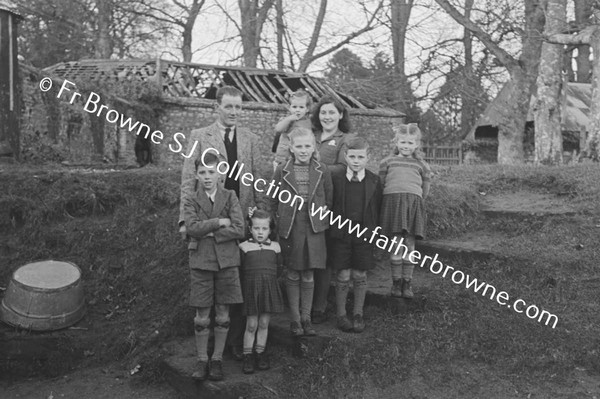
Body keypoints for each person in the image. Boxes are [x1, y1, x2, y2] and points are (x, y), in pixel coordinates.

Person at [179, 85, 265, 361]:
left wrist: (259, 216)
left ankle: (235, 342)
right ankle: (209, 347)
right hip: (208, 220)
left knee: (237, 281)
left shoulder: (251, 139)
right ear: (216, 107)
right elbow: (186, 181)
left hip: (240, 219)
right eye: (228, 106)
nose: (234, 112)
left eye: (239, 107)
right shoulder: (199, 136)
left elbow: (257, 181)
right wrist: (184, 221)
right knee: (208, 281)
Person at [182, 151, 245, 381]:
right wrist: (218, 222)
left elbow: (240, 229)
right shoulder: (190, 198)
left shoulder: (230, 196)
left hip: (227, 261)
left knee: (223, 313)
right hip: (201, 261)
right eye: (202, 172)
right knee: (202, 314)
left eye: (212, 172)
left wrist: (210, 234)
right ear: (196, 175)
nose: (207, 177)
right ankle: (202, 360)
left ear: (221, 173)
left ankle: (217, 359)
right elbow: (192, 228)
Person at [271, 127, 333, 337]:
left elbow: (329, 198)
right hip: (291, 226)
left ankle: (307, 318)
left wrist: (321, 216)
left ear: (314, 147)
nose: (303, 150)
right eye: (299, 146)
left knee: (308, 273)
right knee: (293, 272)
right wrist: (279, 222)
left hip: (314, 226)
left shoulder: (322, 169)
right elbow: (274, 199)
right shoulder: (282, 170)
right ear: (291, 147)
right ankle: (295, 319)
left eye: (307, 146)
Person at [310, 95, 357, 325]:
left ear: (340, 115)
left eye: (331, 112)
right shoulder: (311, 136)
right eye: (323, 113)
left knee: (324, 254)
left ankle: (319, 305)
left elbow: (341, 168)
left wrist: (315, 166)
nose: (327, 117)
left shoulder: (345, 139)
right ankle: (304, 304)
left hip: (332, 200)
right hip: (305, 199)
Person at [329, 137, 382, 332]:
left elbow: (378, 209)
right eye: (352, 156)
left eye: (361, 157)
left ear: (368, 157)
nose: (356, 161)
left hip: (364, 235)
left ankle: (358, 313)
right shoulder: (336, 179)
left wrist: (375, 234)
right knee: (342, 274)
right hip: (341, 235)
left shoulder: (375, 180)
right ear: (345, 157)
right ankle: (341, 315)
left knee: (359, 273)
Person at [379, 123, 431, 298]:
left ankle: (407, 283)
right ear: (396, 142)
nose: (406, 146)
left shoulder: (421, 165)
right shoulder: (387, 162)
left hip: (413, 205)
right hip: (393, 204)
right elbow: (381, 183)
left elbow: (425, 188)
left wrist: (417, 201)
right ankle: (396, 283)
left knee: (409, 245)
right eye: (402, 142)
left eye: (410, 143)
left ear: (416, 145)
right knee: (395, 244)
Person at [239, 210, 285, 374]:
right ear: (250, 228)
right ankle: (247, 355)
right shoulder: (243, 247)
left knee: (264, 323)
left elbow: (279, 269)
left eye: (264, 229)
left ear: (270, 230)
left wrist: (269, 282)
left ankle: (260, 352)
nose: (260, 232)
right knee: (251, 324)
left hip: (268, 288)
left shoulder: (276, 247)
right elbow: (241, 270)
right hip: (251, 288)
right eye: (256, 228)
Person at [271, 89, 313, 170]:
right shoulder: (286, 120)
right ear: (289, 107)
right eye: (294, 107)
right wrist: (288, 119)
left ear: (307, 109)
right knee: (279, 180)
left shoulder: (309, 123)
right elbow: (278, 129)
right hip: (282, 160)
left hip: (298, 161)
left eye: (301, 107)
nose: (297, 110)